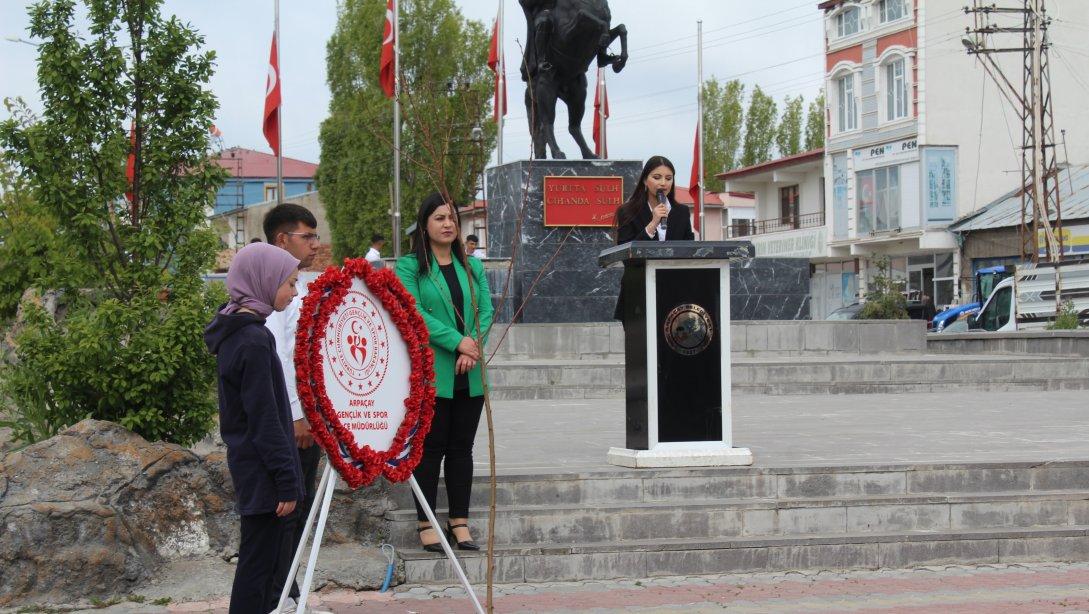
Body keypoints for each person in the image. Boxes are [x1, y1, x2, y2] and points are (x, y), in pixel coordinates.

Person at [203, 243, 304, 613]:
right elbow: (266, 420)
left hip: (250, 465)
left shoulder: (238, 333)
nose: (294, 292)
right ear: (264, 281)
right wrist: (286, 479)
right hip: (264, 473)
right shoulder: (254, 341)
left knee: (259, 564)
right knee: (259, 569)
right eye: (290, 283)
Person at [396, 192, 494, 552]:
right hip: (433, 370)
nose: (448, 223)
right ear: (424, 225)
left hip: (470, 370)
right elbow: (414, 312)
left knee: (461, 449)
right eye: (439, 218)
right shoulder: (410, 267)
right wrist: (457, 342)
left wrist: (473, 345)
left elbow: (486, 310)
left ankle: (459, 521)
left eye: (452, 217)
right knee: (430, 447)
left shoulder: (474, 266)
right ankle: (426, 521)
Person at [261, 203, 326, 612]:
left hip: (308, 413)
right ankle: (275, 590)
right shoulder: (270, 286)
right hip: (289, 418)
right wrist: (297, 414)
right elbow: (280, 357)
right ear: (283, 239)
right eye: (308, 236)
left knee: (299, 505)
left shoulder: (303, 283)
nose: (316, 245)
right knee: (283, 505)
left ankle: (288, 582)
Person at [613, 156, 695, 321]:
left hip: (675, 293)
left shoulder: (682, 212)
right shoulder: (627, 211)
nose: (663, 183)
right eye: (656, 177)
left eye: (668, 178)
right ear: (645, 180)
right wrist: (652, 224)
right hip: (638, 292)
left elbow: (689, 250)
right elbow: (625, 254)